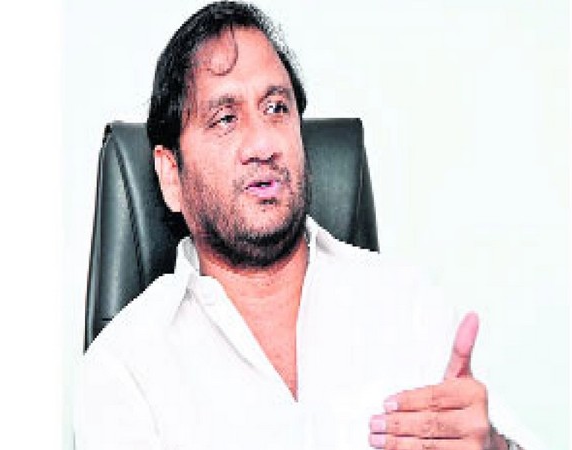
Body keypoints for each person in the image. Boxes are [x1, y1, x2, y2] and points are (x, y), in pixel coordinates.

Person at [75, 2, 528, 449]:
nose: (263, 143)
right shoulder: (125, 371)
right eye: (226, 118)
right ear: (171, 174)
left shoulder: (407, 305)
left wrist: (494, 447)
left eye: (276, 108)